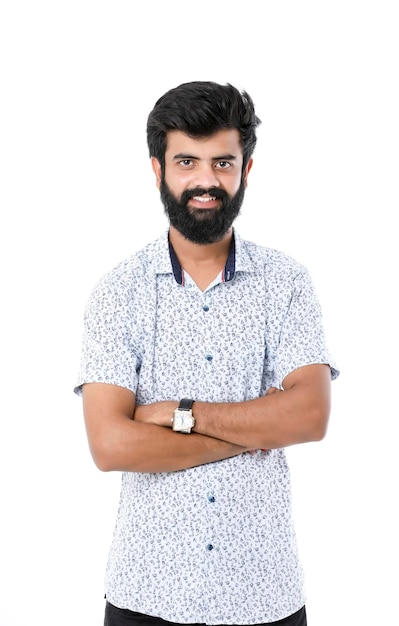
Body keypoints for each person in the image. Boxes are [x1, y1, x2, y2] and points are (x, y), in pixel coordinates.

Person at [74, 80, 339, 626]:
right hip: (146, 597)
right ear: (157, 169)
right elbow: (110, 443)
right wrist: (257, 428)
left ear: (246, 168)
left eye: (223, 162)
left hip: (265, 597)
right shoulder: (117, 293)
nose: (205, 180)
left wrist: (179, 415)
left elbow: (309, 416)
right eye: (187, 161)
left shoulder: (286, 283)